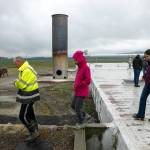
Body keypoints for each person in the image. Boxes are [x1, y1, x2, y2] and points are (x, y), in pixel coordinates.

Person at [13, 56, 40, 142]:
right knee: (30, 113)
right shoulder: (26, 68)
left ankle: (33, 132)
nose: (15, 65)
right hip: (30, 94)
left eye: (15, 64)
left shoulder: (26, 70)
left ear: (19, 62)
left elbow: (22, 84)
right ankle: (35, 130)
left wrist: (15, 82)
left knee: (23, 116)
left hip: (29, 95)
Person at [71, 50, 91, 124]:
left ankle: (81, 122)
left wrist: (79, 84)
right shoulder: (79, 68)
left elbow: (88, 80)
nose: (74, 61)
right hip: (77, 91)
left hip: (82, 92)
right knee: (73, 105)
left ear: (79, 59)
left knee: (77, 108)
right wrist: (76, 85)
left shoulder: (86, 68)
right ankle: (85, 115)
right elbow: (78, 79)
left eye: (75, 59)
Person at [133, 49, 150, 120]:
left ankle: (140, 114)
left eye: (147, 56)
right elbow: (148, 72)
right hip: (147, 84)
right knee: (142, 98)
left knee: (143, 98)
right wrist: (144, 76)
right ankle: (140, 115)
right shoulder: (148, 63)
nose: (145, 58)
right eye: (144, 57)